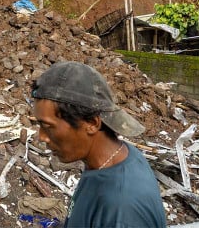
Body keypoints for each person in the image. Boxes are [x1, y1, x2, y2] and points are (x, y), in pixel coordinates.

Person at [31, 61, 167, 228]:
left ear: (92, 123)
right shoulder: (108, 160)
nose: (42, 137)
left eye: (47, 126)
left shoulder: (122, 210)